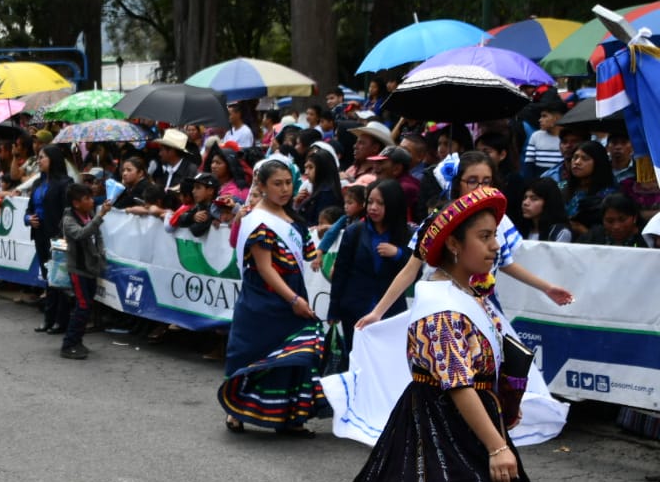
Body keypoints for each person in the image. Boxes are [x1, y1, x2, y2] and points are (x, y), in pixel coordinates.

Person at [318, 186, 574, 482]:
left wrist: (505, 410)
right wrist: (497, 444)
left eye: (494, 236)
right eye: (483, 237)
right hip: (441, 428)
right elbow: (457, 384)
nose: (493, 246)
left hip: (470, 421)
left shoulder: (465, 293)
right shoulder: (440, 304)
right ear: (454, 246)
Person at [355, 152, 574, 331]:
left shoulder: (500, 220)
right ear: (457, 183)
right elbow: (410, 270)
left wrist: (547, 287)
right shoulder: (438, 219)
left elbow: (505, 263)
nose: (479, 189)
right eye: (472, 181)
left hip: (483, 307)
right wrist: (378, 312)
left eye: (486, 182)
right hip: (443, 307)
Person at [218, 160, 326, 437]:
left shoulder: (293, 218)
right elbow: (265, 268)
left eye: (288, 182)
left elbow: (309, 253)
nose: (285, 189)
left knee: (293, 354)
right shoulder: (258, 221)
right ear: (263, 187)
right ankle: (236, 412)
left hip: (292, 291)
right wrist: (293, 300)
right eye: (277, 184)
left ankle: (290, 416)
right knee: (250, 351)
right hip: (264, 298)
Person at [327, 179, 412, 370]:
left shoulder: (406, 234)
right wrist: (334, 309)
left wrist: (397, 254)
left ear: (393, 204)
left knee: (388, 365)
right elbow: (341, 272)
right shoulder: (354, 232)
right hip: (355, 310)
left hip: (391, 312)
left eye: (380, 203)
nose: (373, 208)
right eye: (370, 201)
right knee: (356, 362)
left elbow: (415, 270)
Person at [58, 182, 112, 360]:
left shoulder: (88, 215)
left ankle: (78, 340)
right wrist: (100, 215)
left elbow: (98, 236)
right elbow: (82, 234)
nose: (91, 201)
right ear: (76, 203)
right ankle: (68, 344)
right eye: (86, 199)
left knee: (87, 306)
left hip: (91, 268)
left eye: (91, 197)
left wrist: (100, 256)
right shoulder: (69, 220)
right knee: (82, 306)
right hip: (78, 269)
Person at [28, 144, 74, 334]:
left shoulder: (65, 183)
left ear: (53, 160)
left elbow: (67, 210)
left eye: (42, 157)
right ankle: (48, 318)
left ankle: (60, 320)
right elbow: (29, 209)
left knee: (59, 278)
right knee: (48, 277)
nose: (38, 161)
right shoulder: (37, 184)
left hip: (57, 235)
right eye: (38, 157)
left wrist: (63, 234)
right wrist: (28, 218)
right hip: (39, 234)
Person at [559, 140, 618, 239]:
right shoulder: (560, 188)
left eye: (584, 158)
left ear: (598, 162)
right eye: (575, 157)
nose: (577, 162)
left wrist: (581, 229)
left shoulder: (609, 196)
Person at [513, 178, 572, 242]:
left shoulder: (560, 232)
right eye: (525, 198)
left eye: (534, 199)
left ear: (548, 202)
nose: (525, 203)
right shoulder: (519, 230)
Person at [581, 192, 647, 247]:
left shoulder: (647, 240)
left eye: (622, 220)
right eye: (610, 221)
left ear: (634, 218)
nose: (616, 226)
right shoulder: (592, 237)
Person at [522, 100, 565, 179]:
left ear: (556, 118)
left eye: (544, 116)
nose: (540, 120)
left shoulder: (568, 138)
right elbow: (528, 165)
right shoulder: (536, 136)